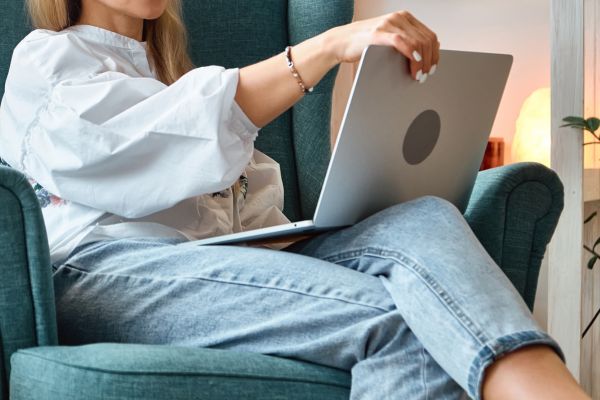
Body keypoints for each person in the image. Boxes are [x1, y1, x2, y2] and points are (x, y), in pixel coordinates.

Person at [0, 1, 590, 399]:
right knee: (407, 320)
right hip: (104, 270)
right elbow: (143, 141)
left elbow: (251, 218)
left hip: (217, 261)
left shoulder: (174, 76)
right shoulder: (47, 58)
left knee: (422, 217)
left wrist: (345, 226)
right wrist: (331, 45)